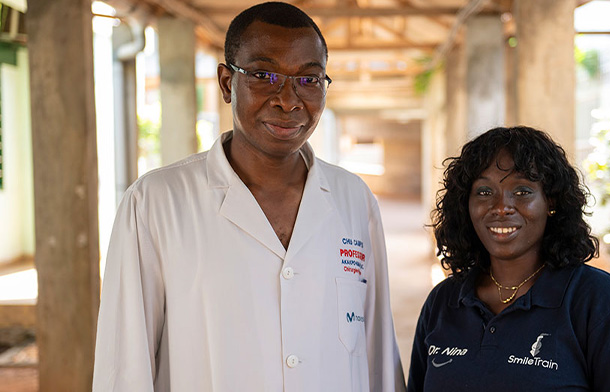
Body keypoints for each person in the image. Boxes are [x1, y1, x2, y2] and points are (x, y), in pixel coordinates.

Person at [92, 2, 405, 391]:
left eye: (309, 80)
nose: (288, 100)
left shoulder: (353, 199)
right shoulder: (155, 203)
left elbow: (376, 352)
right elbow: (124, 366)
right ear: (227, 83)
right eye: (263, 75)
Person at [407, 126, 610, 391]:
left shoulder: (600, 302)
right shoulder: (443, 302)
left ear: (551, 202)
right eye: (484, 191)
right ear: (465, 204)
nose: (501, 207)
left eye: (522, 191)